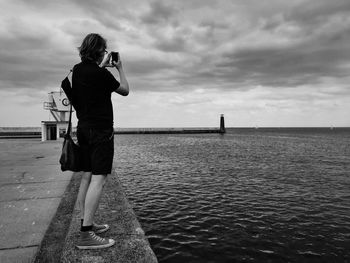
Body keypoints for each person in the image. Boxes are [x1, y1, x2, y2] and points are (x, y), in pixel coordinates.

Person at [72, 33, 129, 249]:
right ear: (98, 50)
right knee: (99, 178)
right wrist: (120, 68)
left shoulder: (77, 70)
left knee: (86, 176)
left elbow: (92, 80)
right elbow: (125, 90)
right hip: (101, 131)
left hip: (83, 129)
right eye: (104, 50)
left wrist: (102, 67)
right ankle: (86, 235)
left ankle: (86, 223)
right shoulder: (100, 74)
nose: (106, 53)